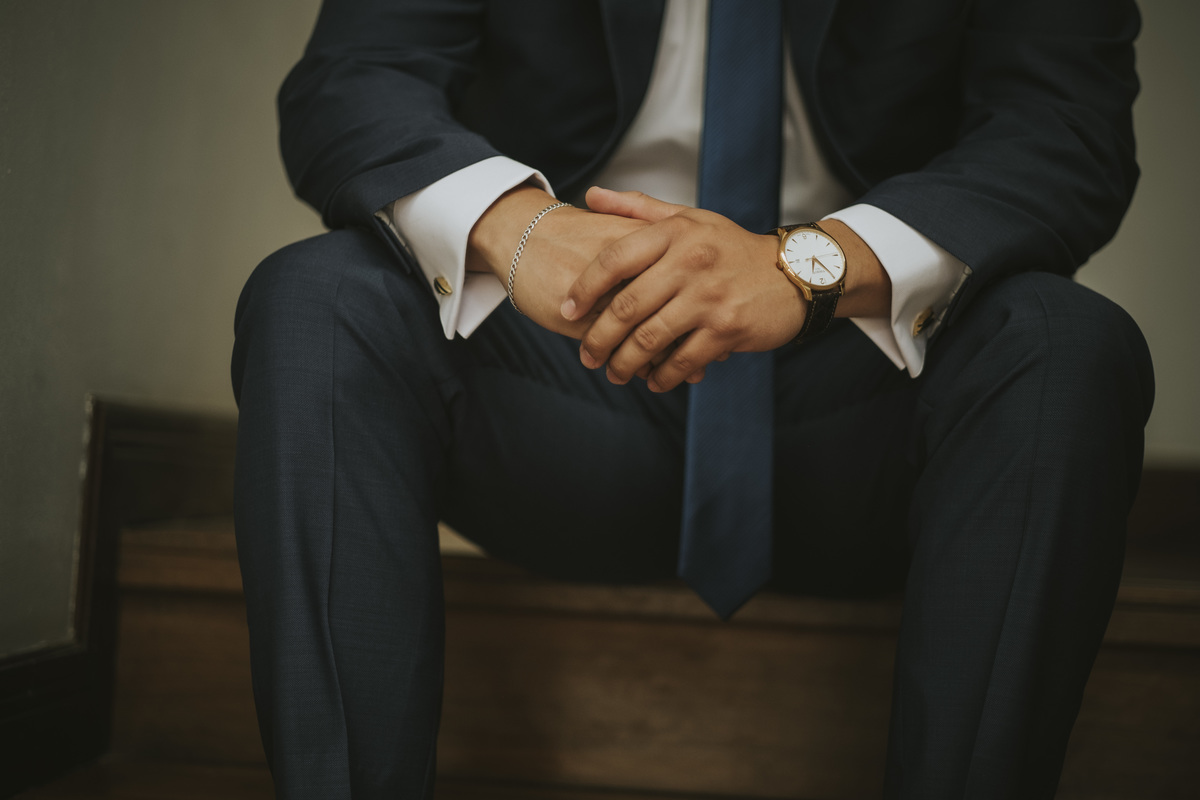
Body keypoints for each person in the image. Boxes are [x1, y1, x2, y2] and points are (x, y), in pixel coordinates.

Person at [230, 0, 1154, 797]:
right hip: (564, 383)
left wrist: (804, 268)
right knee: (319, 298)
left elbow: (1064, 126)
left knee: (1064, 340)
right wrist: (524, 231)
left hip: (862, 410)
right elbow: (352, 78)